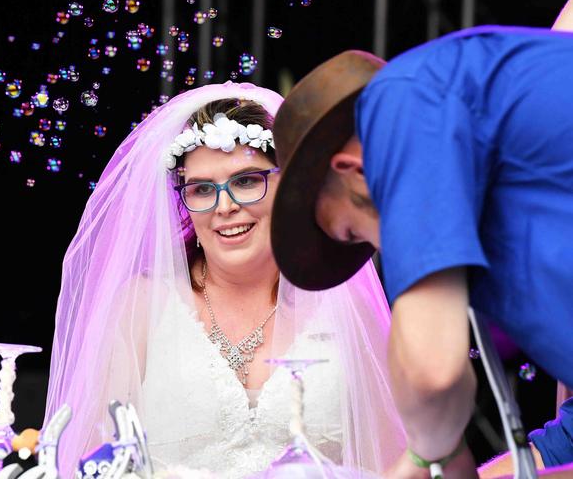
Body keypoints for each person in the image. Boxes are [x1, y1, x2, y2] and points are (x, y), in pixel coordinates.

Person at [43, 82, 406, 478]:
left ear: (288, 186)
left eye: (247, 181)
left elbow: (390, 465)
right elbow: (96, 461)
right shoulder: (142, 306)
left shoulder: (343, 304)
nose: (226, 206)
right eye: (201, 189)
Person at [269, 23, 573, 479]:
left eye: (354, 233)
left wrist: (431, 457)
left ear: (351, 169)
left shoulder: (403, 100)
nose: (383, 251)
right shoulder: (508, 218)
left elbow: (432, 374)